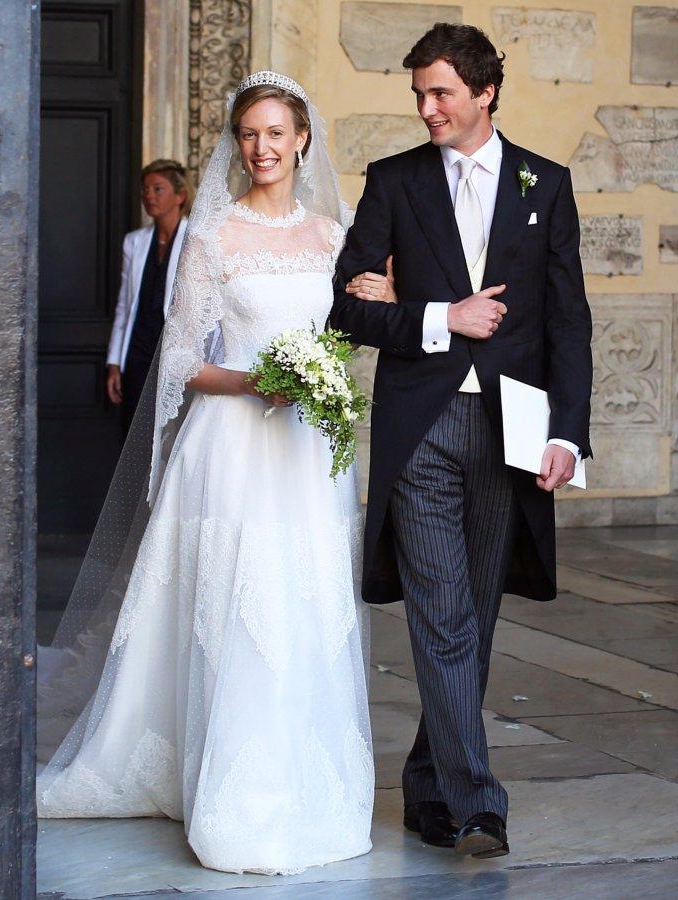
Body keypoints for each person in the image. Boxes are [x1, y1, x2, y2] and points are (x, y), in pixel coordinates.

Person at [37, 73, 376, 876]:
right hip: (230, 445)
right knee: (235, 600)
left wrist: (348, 343)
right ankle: (225, 780)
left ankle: (303, 776)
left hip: (305, 454)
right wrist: (255, 382)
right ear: (237, 141)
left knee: (306, 603)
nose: (261, 147)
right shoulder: (211, 238)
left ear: (301, 140)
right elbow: (182, 361)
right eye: (248, 133)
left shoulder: (333, 237)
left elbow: (347, 339)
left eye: (275, 133)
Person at [330, 23, 592, 859]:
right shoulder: (394, 182)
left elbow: (568, 324)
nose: (426, 107)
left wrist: (570, 436)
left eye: (440, 92)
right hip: (422, 426)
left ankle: (426, 786)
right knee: (442, 615)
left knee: (472, 619)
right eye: (419, 94)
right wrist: (443, 316)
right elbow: (348, 308)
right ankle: (481, 802)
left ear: (484, 93)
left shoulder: (545, 185)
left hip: (512, 430)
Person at [106, 160, 190, 436]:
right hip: (139, 352)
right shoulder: (134, 241)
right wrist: (115, 362)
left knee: (173, 434)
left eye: (158, 189)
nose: (149, 196)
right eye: (145, 190)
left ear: (180, 195)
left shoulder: (195, 238)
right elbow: (124, 305)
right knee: (136, 434)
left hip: (176, 352)